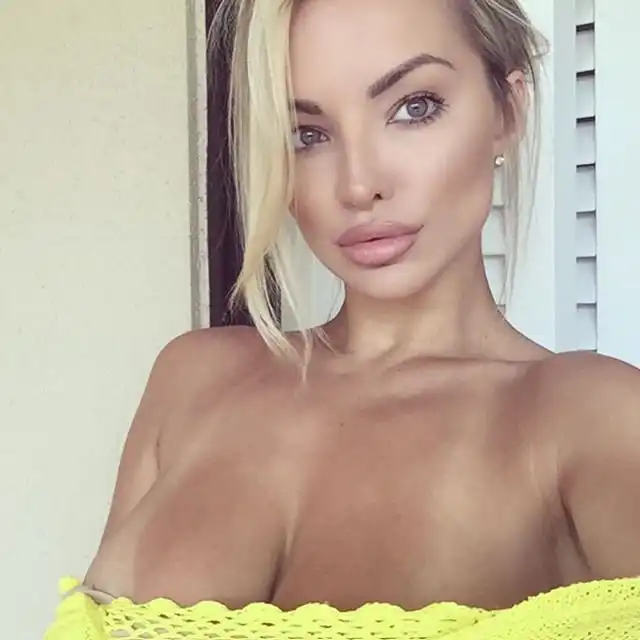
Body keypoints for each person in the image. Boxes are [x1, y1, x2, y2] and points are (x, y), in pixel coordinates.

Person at [46, 0, 640, 638]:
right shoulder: (190, 378)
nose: (358, 186)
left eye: (414, 107)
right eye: (308, 134)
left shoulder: (594, 420)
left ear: (508, 110)